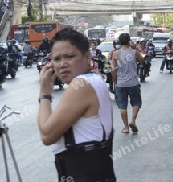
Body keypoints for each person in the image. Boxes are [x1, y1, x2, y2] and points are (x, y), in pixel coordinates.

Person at [37, 28, 116, 181]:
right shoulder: (95, 80)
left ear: (87, 57)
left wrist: (44, 92)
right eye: (57, 59)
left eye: (69, 57)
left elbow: (47, 135)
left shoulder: (81, 84)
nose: (62, 64)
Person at [111, 33, 145, 134]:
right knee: (136, 103)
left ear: (119, 42)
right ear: (129, 40)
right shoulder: (135, 52)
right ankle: (133, 120)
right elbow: (142, 61)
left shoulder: (116, 53)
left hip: (121, 84)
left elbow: (113, 70)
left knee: (122, 106)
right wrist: (135, 50)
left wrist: (115, 82)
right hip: (133, 83)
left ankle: (126, 127)